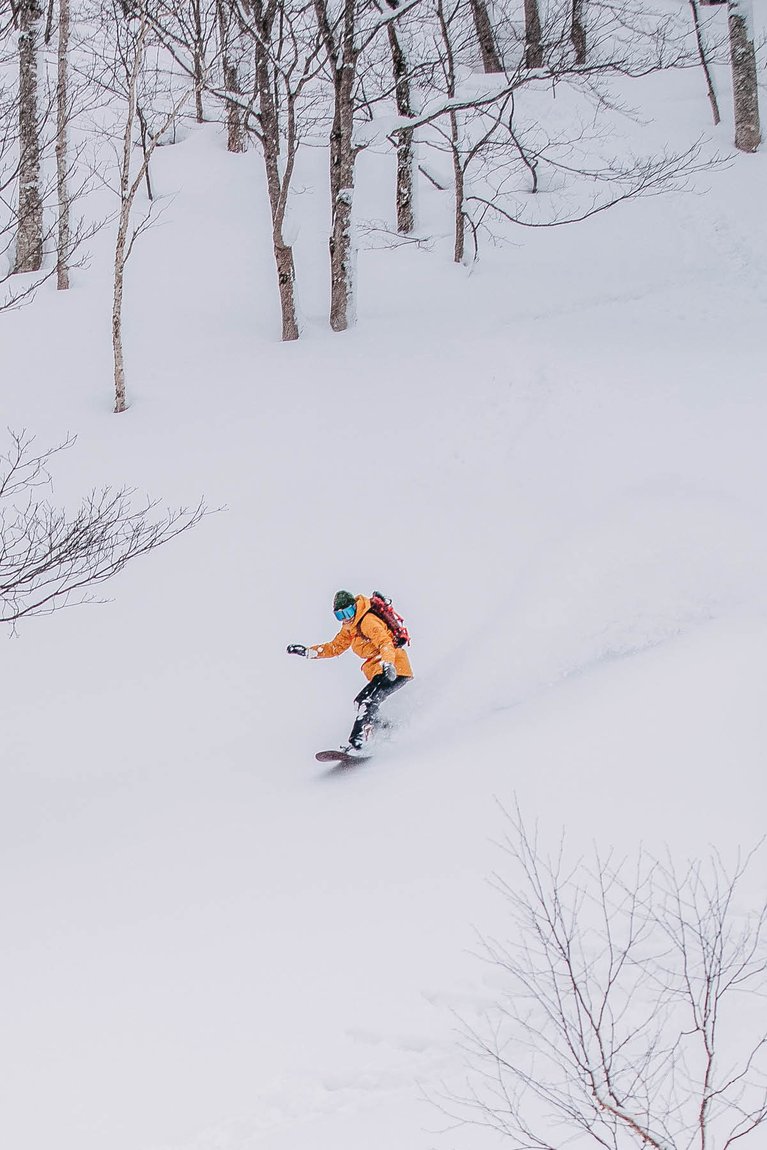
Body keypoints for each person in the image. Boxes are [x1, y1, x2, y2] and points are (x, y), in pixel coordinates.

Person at [287, 590, 413, 754]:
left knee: (366, 702)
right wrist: (307, 652)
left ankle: (358, 742)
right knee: (362, 702)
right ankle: (385, 728)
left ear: (355, 607)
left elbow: (385, 643)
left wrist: (388, 664)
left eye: (348, 612)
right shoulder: (350, 629)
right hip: (382, 669)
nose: (345, 618)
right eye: (340, 615)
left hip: (394, 668)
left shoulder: (368, 621)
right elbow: (334, 647)